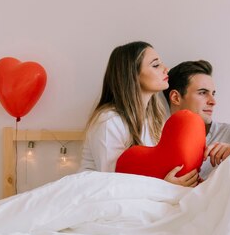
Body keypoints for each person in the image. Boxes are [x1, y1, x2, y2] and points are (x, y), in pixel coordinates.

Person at [80, 41, 199, 187]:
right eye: (156, 65)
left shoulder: (155, 119)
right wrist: (163, 185)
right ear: (133, 75)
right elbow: (112, 183)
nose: (166, 69)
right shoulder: (109, 121)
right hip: (101, 197)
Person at [164, 59, 230, 180]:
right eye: (202, 93)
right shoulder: (152, 141)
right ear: (176, 98)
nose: (213, 102)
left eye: (213, 93)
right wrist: (164, 185)